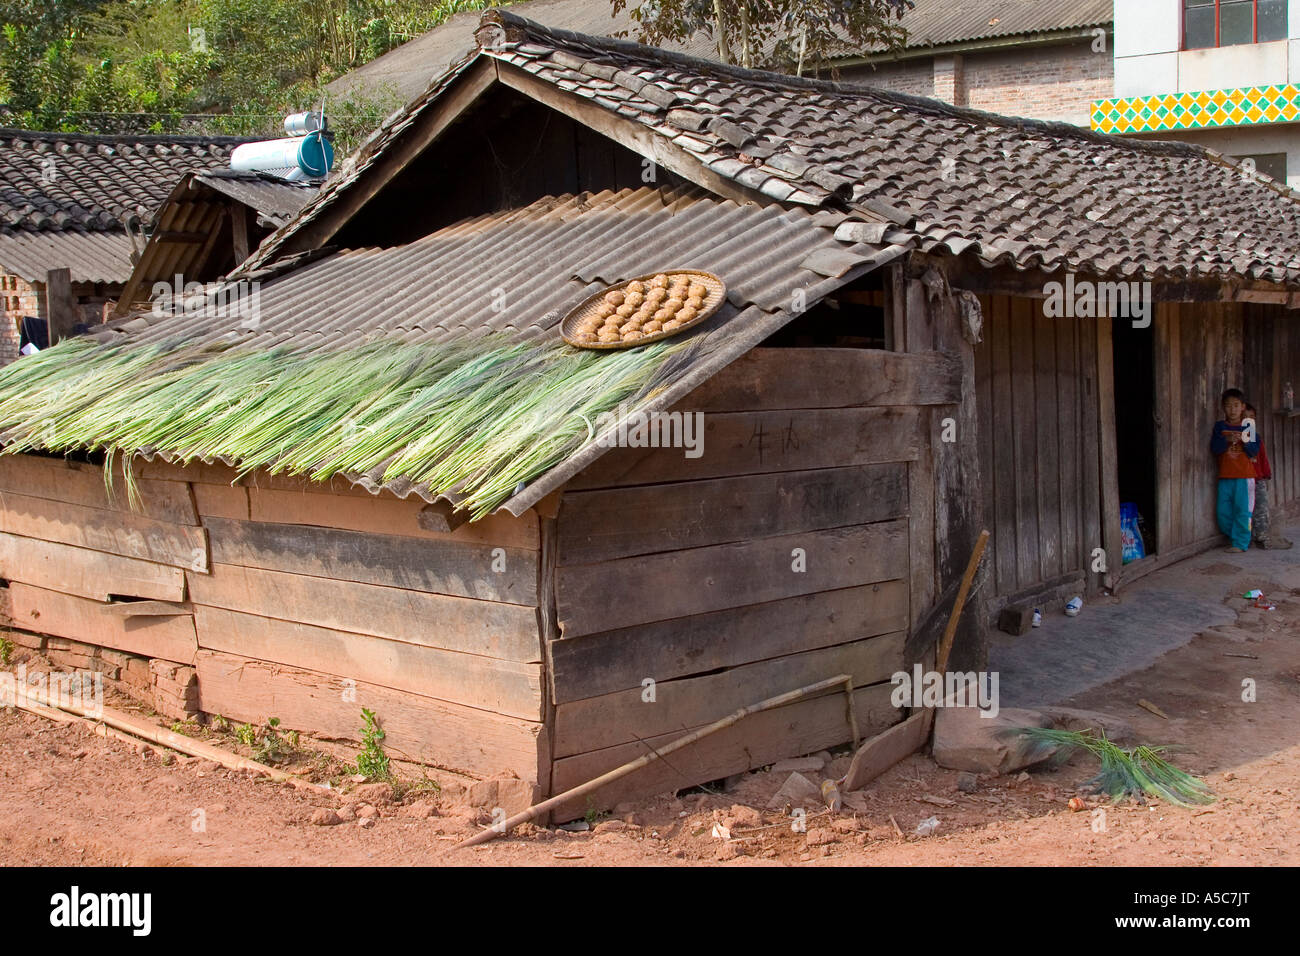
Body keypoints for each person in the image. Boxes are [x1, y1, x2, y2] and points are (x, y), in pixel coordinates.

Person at [1211, 388, 1260, 553]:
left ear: (1242, 407)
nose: (1232, 409)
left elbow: (1254, 451)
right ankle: (1235, 536)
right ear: (1223, 408)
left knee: (1243, 511)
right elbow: (1215, 449)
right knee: (1222, 512)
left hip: (1244, 476)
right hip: (1225, 476)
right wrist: (1226, 440)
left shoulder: (1248, 426)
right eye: (1228, 406)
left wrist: (1244, 441)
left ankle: (1240, 543)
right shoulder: (1220, 426)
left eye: (1236, 405)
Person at [1246, 403, 1293, 550]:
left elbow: (1262, 457)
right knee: (1246, 510)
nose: (1249, 420)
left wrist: (1266, 474)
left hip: (1258, 479)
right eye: (1245, 417)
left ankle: (1262, 537)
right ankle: (1248, 537)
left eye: (1252, 417)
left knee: (1261, 508)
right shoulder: (1238, 438)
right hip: (1244, 479)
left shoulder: (1256, 437)